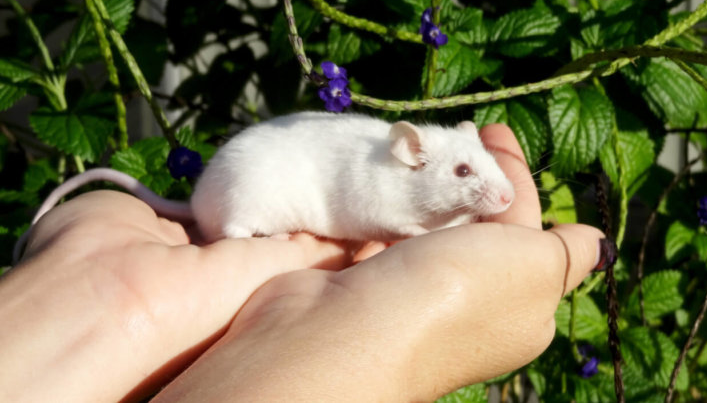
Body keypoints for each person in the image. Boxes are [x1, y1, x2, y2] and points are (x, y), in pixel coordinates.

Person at [0, 124, 607, 402]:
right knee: (247, 208)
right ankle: (236, 230)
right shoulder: (385, 171)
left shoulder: (409, 166)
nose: (492, 192)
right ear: (412, 153)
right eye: (468, 174)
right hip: (240, 195)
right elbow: (375, 213)